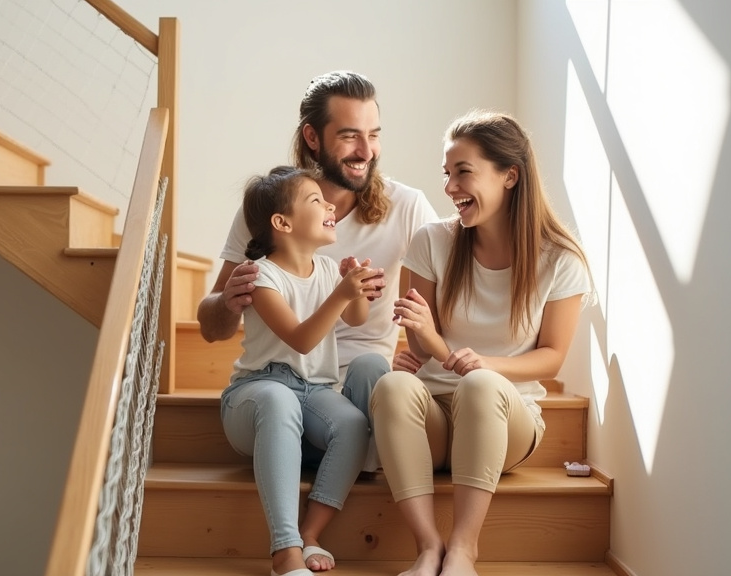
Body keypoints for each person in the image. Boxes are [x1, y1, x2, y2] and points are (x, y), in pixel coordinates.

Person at [370, 110, 594, 576]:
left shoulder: (560, 259)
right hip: (434, 418)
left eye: (463, 172)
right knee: (390, 387)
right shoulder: (431, 241)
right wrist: (433, 346)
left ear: (509, 175)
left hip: (505, 419)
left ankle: (464, 550)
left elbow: (551, 358)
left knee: (482, 385)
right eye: (447, 174)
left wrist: (472, 360)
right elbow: (419, 342)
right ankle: (428, 547)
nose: (450, 187)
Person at [198, 71, 439, 484]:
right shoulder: (272, 209)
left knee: (369, 369)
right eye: (349, 136)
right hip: (286, 385)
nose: (367, 150)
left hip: (364, 391)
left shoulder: (408, 207)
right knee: (282, 405)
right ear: (313, 138)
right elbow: (210, 326)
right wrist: (226, 302)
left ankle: (336, 468)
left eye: (374, 134)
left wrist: (424, 355)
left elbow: (447, 298)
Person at [220, 166, 382, 576]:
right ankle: (285, 550)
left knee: (352, 425)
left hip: (315, 389)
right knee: (277, 402)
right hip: (258, 392)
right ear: (282, 223)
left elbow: (358, 318)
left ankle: (311, 533)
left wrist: (354, 285)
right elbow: (301, 339)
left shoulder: (328, 270)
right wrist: (342, 293)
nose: (330, 205)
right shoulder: (261, 277)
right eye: (316, 200)